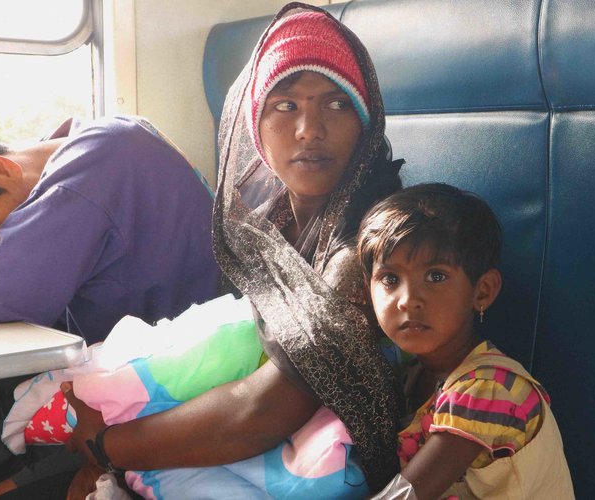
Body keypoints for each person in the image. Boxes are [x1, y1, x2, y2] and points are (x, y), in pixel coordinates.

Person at [58, 3, 404, 498]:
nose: (309, 128)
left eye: (337, 103)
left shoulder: (369, 243)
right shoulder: (267, 223)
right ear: (255, 124)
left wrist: (108, 447)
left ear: (366, 122)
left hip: (341, 462)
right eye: (285, 105)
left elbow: (266, 409)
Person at [0, 116, 222, 496]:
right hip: (121, 351)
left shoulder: (97, 163)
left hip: (169, 372)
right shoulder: (82, 148)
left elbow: (6, 294)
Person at [358, 183, 575, 499]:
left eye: (435, 276)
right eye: (390, 279)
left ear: (482, 291)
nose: (407, 300)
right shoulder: (407, 375)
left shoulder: (491, 388)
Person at [0, 116, 220, 343]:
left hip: (193, 347)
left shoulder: (92, 164)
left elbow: (5, 299)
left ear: (1, 169)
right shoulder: (90, 144)